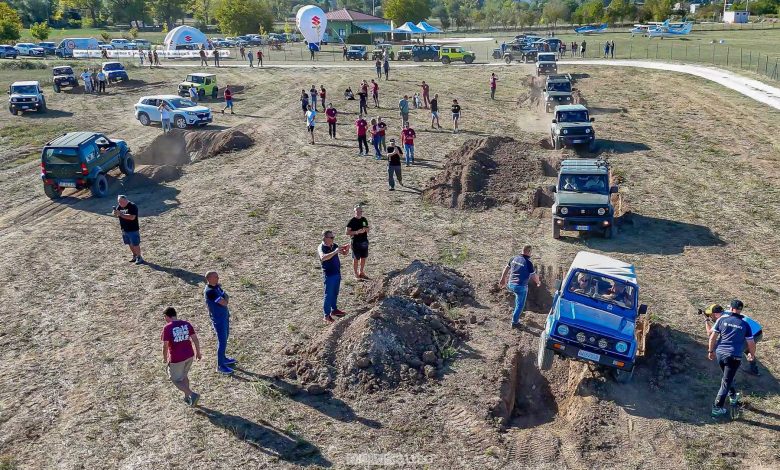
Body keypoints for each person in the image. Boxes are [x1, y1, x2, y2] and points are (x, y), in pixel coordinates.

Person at [708, 299, 757, 417]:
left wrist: (710, 351)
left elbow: (712, 337)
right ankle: (717, 408)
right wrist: (752, 354)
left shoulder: (722, 320)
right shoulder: (745, 325)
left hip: (720, 353)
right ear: (740, 310)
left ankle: (733, 396)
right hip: (734, 356)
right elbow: (751, 343)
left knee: (726, 377)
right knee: (726, 381)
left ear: (730, 308)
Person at [704, 303, 762, 376]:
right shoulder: (728, 313)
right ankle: (754, 369)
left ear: (715, 314)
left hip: (752, 334)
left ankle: (735, 372)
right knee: (748, 349)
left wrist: (706, 320)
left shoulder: (722, 318)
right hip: (758, 331)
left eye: (711, 315)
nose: (711, 318)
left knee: (735, 351)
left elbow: (710, 333)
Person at [160, 307, 201, 406]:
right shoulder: (186, 324)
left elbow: (165, 346)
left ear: (167, 316)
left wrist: (165, 358)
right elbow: (195, 339)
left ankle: (192, 395)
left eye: (164, 317)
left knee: (175, 379)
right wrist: (198, 353)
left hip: (176, 358)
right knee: (184, 376)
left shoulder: (167, 328)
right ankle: (187, 398)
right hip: (189, 355)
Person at [498, 245, 541, 329]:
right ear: (528, 252)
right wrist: (538, 282)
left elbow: (506, 268)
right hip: (520, 287)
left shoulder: (514, 258)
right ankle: (515, 322)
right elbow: (533, 276)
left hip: (510, 285)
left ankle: (515, 304)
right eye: (531, 252)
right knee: (520, 305)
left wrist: (502, 279)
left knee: (517, 295)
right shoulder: (528, 263)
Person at [204, 271, 236, 374]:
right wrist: (225, 299)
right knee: (222, 341)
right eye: (216, 276)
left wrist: (225, 299)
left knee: (225, 338)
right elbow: (224, 302)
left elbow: (226, 297)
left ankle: (223, 359)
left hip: (224, 316)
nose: (218, 278)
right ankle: (220, 366)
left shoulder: (216, 287)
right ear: (210, 278)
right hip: (218, 319)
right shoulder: (210, 291)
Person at [318, 230, 350, 323]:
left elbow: (344, 253)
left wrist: (346, 249)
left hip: (337, 273)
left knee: (335, 293)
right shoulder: (321, 247)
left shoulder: (334, 245)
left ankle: (334, 310)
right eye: (331, 237)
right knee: (328, 295)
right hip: (329, 274)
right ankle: (326, 315)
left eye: (333, 237)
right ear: (325, 238)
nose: (333, 239)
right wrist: (335, 252)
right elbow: (323, 257)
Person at [113, 195, 143, 264]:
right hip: (124, 229)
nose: (120, 203)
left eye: (122, 201)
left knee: (135, 244)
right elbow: (117, 216)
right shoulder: (119, 207)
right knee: (129, 243)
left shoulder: (132, 206)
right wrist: (115, 213)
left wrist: (120, 214)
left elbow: (132, 217)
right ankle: (134, 255)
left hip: (133, 229)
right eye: (119, 202)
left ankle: (139, 257)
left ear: (126, 200)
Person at [346, 205, 370, 280]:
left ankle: (361, 272)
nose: (359, 213)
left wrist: (366, 229)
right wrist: (356, 232)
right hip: (355, 242)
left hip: (364, 241)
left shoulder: (364, 220)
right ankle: (356, 274)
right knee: (356, 258)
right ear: (354, 212)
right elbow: (347, 232)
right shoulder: (352, 221)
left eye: (360, 211)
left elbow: (367, 229)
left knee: (363, 257)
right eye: (357, 211)